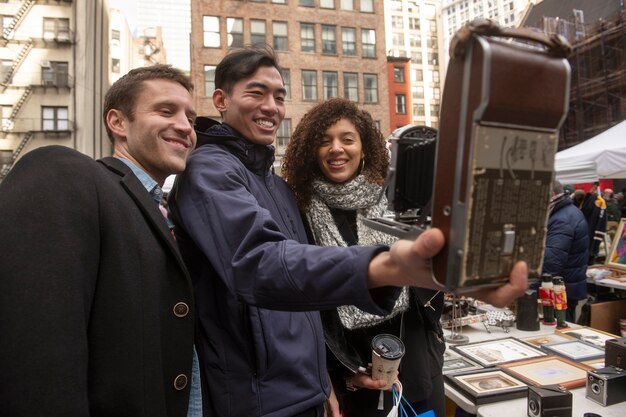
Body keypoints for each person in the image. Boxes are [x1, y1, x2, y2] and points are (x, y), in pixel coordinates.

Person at [167, 45, 528, 417]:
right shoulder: (211, 171)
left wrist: (322, 381)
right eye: (256, 93)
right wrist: (387, 269)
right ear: (221, 100)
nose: (271, 106)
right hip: (264, 397)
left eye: (278, 96)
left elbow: (306, 301)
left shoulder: (278, 188)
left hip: (353, 381)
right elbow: (265, 265)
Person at [0, 65, 200, 417]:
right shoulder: (66, 172)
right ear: (118, 123)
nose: (186, 127)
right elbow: (35, 352)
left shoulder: (167, 212)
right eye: (166, 111)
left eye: (191, 118)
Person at [281, 98, 445, 417]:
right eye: (324, 141)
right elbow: (308, 308)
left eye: (347, 139)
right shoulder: (298, 213)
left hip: (415, 365)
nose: (336, 149)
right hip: (349, 379)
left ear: (364, 147)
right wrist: (341, 373)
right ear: (310, 153)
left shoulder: (395, 202)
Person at [540, 180, 589, 323]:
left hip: (559, 292)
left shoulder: (562, 218)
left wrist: (525, 289)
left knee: (558, 332)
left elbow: (551, 262)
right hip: (562, 288)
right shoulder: (562, 213)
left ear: (552, 194)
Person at [581, 182, 607, 265]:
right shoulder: (586, 199)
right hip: (587, 233)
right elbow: (601, 224)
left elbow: (601, 224)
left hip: (587, 233)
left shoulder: (600, 202)